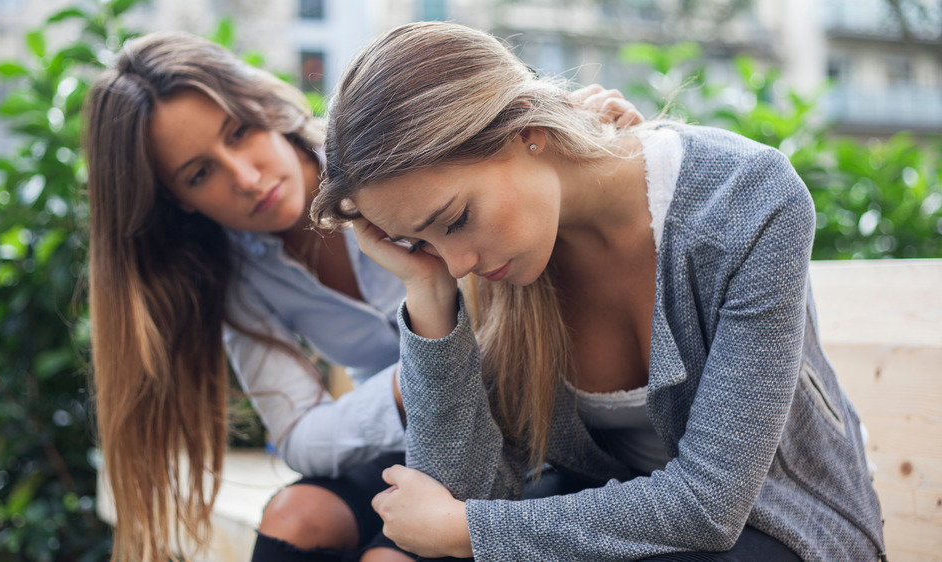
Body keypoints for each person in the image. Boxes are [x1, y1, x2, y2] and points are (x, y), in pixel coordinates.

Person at [311, 21, 887, 561]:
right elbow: (462, 493)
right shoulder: (497, 266)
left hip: (782, 531)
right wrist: (427, 293)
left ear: (528, 131)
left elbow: (712, 506)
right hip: (611, 535)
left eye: (456, 218)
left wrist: (471, 530)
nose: (456, 261)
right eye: (421, 240)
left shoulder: (744, 199)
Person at [82, 30, 642, 562]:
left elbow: (509, 141)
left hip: (513, 427)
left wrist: (588, 138)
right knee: (297, 515)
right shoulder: (235, 276)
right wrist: (407, 386)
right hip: (406, 435)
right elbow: (299, 436)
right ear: (177, 199)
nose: (246, 177)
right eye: (200, 173)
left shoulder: (386, 164)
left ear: (263, 107)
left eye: (239, 132)